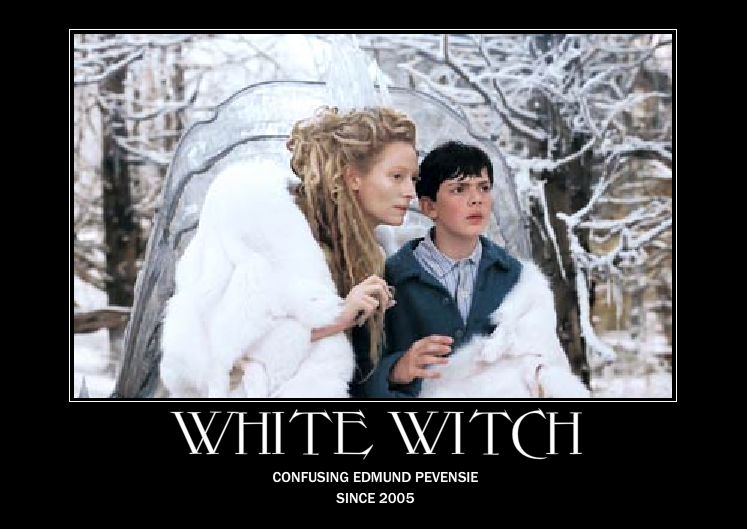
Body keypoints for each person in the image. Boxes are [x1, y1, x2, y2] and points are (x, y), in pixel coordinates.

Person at [159, 105, 419, 398]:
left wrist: (397, 369)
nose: (410, 191)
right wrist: (337, 317)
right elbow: (225, 366)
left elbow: (357, 378)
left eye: (414, 178)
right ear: (352, 177)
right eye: (397, 176)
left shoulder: (373, 258)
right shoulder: (265, 229)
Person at [360, 140, 589, 398]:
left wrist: (538, 374)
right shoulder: (390, 280)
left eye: (484, 188)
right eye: (459, 189)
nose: (476, 199)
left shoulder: (517, 280)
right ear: (429, 206)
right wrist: (396, 370)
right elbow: (357, 379)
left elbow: (547, 360)